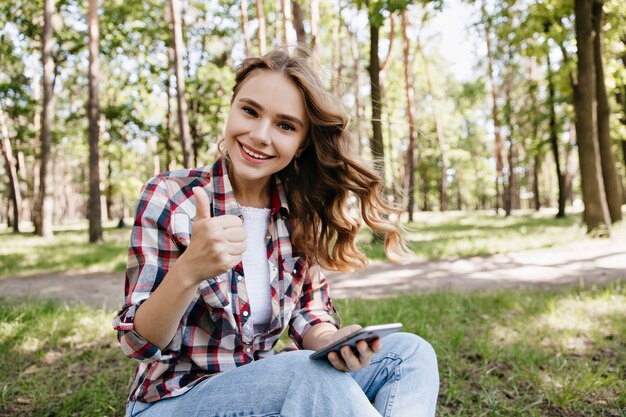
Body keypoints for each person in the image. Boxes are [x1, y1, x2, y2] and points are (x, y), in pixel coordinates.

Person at [113, 47, 439, 417]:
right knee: (300, 370)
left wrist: (333, 341)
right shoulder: (172, 196)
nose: (260, 135)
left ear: (301, 144)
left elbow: (309, 314)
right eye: (249, 111)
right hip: (174, 402)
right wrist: (189, 271)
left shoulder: (296, 210)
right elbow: (137, 343)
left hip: (266, 391)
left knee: (410, 354)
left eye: (285, 125)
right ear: (232, 107)